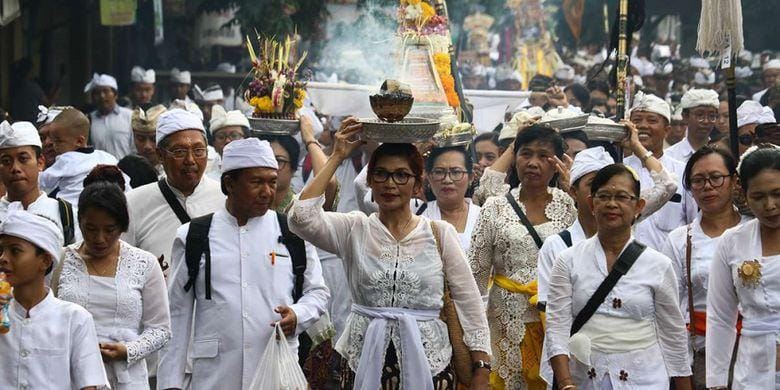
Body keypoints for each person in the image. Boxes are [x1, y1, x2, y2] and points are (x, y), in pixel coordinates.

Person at [289, 119, 491, 389]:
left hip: (432, 364)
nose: (390, 184)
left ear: (418, 185)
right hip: (360, 361)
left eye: (401, 175)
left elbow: (470, 304)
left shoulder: (439, 233)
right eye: (381, 174)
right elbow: (300, 217)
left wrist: (481, 368)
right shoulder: (355, 228)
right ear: (370, 181)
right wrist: (337, 156)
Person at [158, 137, 329, 389]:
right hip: (215, 377)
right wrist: (170, 385)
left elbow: (318, 293)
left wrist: (298, 314)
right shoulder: (194, 236)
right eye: (256, 182)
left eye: (272, 182)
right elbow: (177, 315)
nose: (267, 192)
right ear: (229, 183)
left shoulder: (293, 233)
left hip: (276, 372)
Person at [545, 164, 692, 389]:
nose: (611, 204)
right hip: (585, 379)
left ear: (638, 206)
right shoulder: (568, 260)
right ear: (592, 203)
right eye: (603, 196)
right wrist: (565, 383)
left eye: (622, 197)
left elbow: (673, 334)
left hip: (645, 378)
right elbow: (557, 326)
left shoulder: (658, 264)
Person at [468, 124, 577, 389]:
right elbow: (475, 279)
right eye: (526, 154)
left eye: (543, 156)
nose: (533, 163)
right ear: (514, 158)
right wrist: (476, 342)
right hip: (503, 325)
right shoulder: (495, 207)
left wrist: (571, 183)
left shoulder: (572, 206)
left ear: (557, 163)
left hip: (557, 322)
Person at [537, 129, 677, 309]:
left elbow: (667, 185)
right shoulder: (557, 245)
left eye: (611, 187)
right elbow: (553, 315)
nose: (606, 196)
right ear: (573, 191)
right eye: (593, 185)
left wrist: (637, 147)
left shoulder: (627, 215)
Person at [54, 181, 171, 389]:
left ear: (123, 226)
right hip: (70, 375)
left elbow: (161, 329)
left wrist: (127, 350)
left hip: (127, 378)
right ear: (80, 222)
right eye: (91, 229)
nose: (99, 239)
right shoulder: (62, 260)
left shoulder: (144, 263)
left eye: (109, 230)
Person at [660, 146, 746, 389]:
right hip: (705, 356)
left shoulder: (757, 230)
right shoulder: (679, 240)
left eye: (716, 178)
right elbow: (671, 315)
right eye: (698, 181)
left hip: (759, 352)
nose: (707, 186)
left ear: (734, 181)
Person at [0, 207, 108, 389]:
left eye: (15, 251)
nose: (3, 258)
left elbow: (89, 384)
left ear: (45, 261)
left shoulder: (74, 319)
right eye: (1, 250)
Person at [706, 145, 780, 389]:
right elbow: (720, 315)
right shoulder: (732, 240)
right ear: (744, 195)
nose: (769, 205)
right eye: (758, 197)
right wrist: (716, 380)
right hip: (751, 372)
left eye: (778, 193)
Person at [123, 108, 224, 274]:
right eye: (180, 152)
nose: (190, 160)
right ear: (160, 155)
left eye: (198, 150)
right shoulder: (133, 203)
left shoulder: (225, 198)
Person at [624, 92, 697, 251]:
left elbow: (694, 222)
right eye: (637, 120)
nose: (643, 125)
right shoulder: (618, 169)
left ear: (667, 130)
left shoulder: (683, 170)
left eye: (652, 120)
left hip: (669, 265)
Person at [0, 120, 79, 244]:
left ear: (40, 162)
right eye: (6, 161)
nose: (15, 168)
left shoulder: (66, 215)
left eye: (23, 159)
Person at [39, 107, 122, 206]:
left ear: (79, 141)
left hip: (70, 210)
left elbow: (44, 180)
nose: (51, 144)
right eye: (42, 138)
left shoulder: (66, 160)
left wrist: (34, 173)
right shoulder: (107, 157)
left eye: (58, 141)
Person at [420, 146, 481, 252]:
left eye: (456, 172)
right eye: (439, 172)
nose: (447, 180)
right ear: (429, 177)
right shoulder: (418, 213)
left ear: (470, 177)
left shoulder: (483, 217)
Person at [84, 73, 134, 160]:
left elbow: (135, 148)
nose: (102, 96)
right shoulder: (89, 120)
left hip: (124, 171)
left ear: (115, 94)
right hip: (99, 172)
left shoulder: (129, 116)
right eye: (97, 93)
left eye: (106, 91)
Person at [666, 88, 720, 164]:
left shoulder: (721, 154)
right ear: (685, 117)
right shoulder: (669, 156)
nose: (706, 121)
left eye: (711, 116)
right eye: (700, 115)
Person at [128, 105, 166, 175]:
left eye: (154, 139)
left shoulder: (173, 173)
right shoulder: (126, 172)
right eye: (140, 139)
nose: (147, 146)